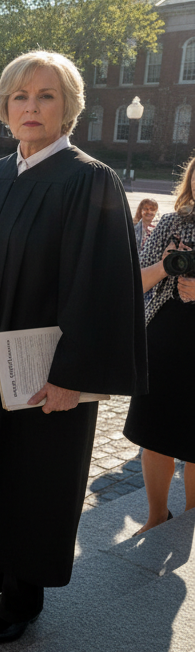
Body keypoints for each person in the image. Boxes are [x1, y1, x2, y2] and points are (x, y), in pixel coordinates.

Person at [0, 50, 146, 644]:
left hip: (43, 372)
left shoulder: (90, 181)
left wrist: (72, 377)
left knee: (30, 474)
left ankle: (23, 595)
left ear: (69, 108)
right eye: (20, 96)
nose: (31, 107)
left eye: (46, 96)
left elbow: (101, 288)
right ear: (5, 108)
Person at [124, 155, 195, 534]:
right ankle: (156, 516)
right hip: (163, 341)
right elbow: (135, 283)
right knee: (153, 435)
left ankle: (189, 519)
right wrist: (166, 266)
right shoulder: (170, 223)